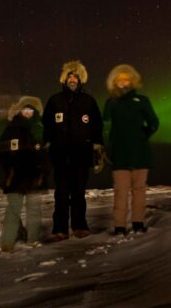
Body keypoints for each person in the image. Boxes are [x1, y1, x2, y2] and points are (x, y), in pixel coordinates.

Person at [42, 60, 104, 241]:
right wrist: (47, 143)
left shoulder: (89, 101)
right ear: (64, 79)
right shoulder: (54, 100)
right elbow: (47, 125)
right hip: (60, 155)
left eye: (75, 76)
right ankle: (60, 229)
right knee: (61, 192)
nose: (72, 79)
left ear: (80, 79)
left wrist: (97, 145)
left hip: (81, 154)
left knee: (78, 192)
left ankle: (79, 226)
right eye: (69, 76)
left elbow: (97, 125)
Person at [103, 64, 159, 235]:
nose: (123, 82)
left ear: (132, 81)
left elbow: (154, 123)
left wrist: (143, 135)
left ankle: (138, 224)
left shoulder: (142, 101)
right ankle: (119, 226)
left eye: (126, 79)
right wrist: (105, 147)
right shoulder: (111, 103)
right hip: (119, 154)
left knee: (139, 191)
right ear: (114, 82)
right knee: (120, 191)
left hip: (140, 154)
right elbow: (105, 126)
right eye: (120, 80)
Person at [0, 96, 47, 251]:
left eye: (30, 110)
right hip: (16, 177)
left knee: (34, 210)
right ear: (20, 111)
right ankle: (7, 243)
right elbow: (2, 151)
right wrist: (10, 169)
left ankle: (33, 240)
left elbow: (46, 154)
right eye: (25, 109)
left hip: (34, 176)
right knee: (13, 209)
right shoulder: (11, 129)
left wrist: (43, 172)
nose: (27, 112)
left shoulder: (40, 129)